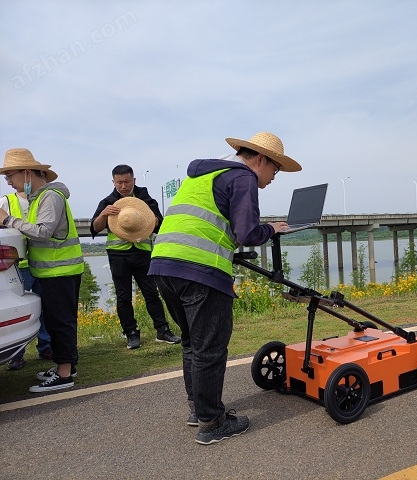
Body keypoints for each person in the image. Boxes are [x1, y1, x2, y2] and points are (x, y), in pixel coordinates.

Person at [149, 132, 301, 445]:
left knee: (192, 342)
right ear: (260, 159)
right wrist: (271, 228)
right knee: (211, 347)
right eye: (276, 169)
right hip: (200, 270)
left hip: (164, 266)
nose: (275, 177)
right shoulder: (242, 176)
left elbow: (212, 222)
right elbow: (246, 232)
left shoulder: (203, 175)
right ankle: (213, 423)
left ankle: (199, 410)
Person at [0, 148, 83, 393]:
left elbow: (43, 231)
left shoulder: (50, 196)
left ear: (27, 173)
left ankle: (64, 374)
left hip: (59, 271)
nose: (9, 182)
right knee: (60, 321)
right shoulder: (41, 197)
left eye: (10, 176)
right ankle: (65, 365)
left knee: (60, 322)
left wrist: (6, 219)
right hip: (53, 272)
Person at [90, 165, 180, 349]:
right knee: (123, 297)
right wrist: (104, 214)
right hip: (118, 255)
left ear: (134, 181)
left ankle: (162, 330)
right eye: (119, 182)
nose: (123, 186)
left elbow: (160, 225)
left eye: (127, 182)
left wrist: (152, 219)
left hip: (142, 253)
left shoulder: (145, 199)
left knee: (152, 293)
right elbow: (95, 227)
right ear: (113, 182)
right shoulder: (108, 201)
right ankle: (131, 333)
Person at [0, 190, 52, 370]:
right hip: (16, 266)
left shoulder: (40, 200)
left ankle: (46, 347)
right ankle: (16, 355)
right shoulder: (7, 201)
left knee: (44, 307)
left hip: (39, 261)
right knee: (16, 311)